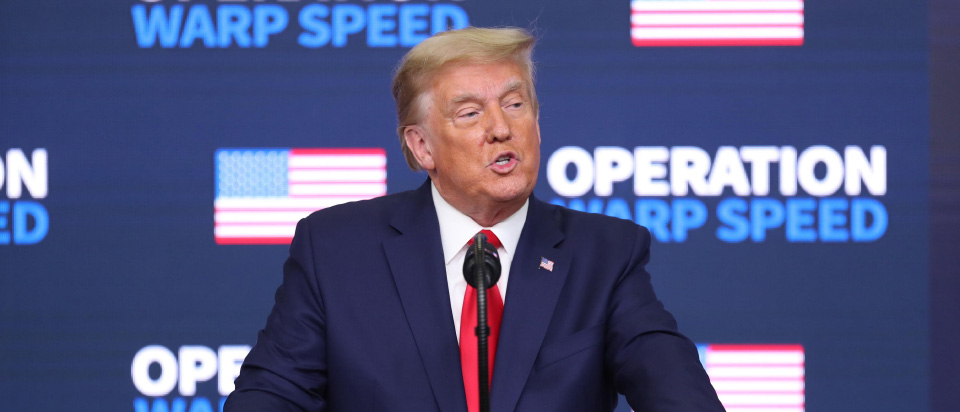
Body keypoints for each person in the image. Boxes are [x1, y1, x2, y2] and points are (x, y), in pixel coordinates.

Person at [224, 27, 724, 412]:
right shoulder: (336, 249)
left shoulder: (603, 254)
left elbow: (676, 392)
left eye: (515, 104)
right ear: (422, 147)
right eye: (469, 113)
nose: (501, 129)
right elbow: (272, 395)